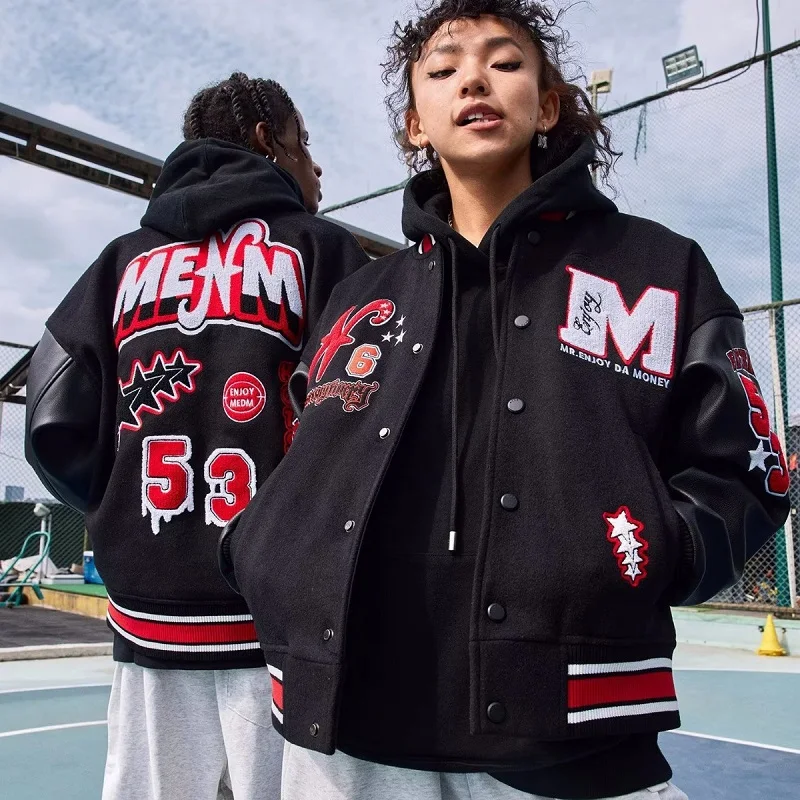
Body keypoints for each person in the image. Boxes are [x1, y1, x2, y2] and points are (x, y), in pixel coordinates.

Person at [221, 3, 791, 799]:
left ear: (547, 105)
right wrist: (261, 546)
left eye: (505, 62)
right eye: (444, 69)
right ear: (415, 123)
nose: (474, 81)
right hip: (347, 737)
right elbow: (295, 466)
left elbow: (749, 469)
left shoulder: (658, 269)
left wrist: (641, 556)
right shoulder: (358, 299)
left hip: (579, 735)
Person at [25, 71, 369, 800]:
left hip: (150, 616)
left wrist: (120, 508)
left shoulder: (119, 262)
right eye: (304, 143)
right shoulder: (324, 251)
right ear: (266, 142)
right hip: (282, 618)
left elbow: (51, 417)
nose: (316, 166)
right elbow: (376, 418)